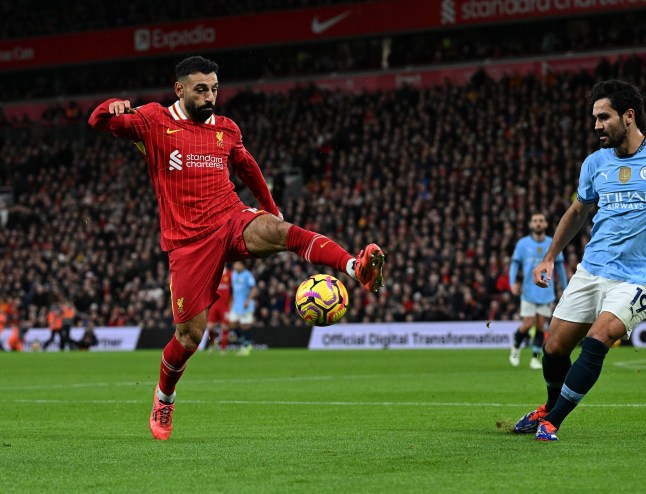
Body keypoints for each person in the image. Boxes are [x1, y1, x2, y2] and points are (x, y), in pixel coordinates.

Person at [88, 55, 385, 440]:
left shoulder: (226, 129)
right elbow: (98, 122)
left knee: (286, 232)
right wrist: (109, 106)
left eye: (214, 88)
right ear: (179, 89)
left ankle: (354, 267)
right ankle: (164, 399)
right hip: (188, 243)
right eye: (201, 89)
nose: (210, 95)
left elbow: (247, 168)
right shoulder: (153, 120)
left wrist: (272, 211)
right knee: (189, 338)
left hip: (230, 219)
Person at [514, 80, 646, 441]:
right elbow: (577, 211)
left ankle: (553, 419)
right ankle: (548, 406)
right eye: (595, 118)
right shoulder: (595, 163)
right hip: (592, 269)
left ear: (629, 116)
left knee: (598, 337)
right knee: (553, 348)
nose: (596, 125)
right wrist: (549, 256)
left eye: (603, 117)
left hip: (637, 278)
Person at [508, 212, 568, 370]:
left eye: (541, 220)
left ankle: (535, 358)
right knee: (528, 323)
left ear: (546, 224)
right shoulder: (522, 244)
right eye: (535, 221)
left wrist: (565, 287)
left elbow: (560, 266)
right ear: (530, 224)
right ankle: (516, 345)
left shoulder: (553, 243)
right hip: (528, 290)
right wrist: (512, 282)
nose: (538, 223)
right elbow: (514, 264)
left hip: (546, 291)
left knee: (541, 325)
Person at [228, 261, 257, 356]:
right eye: (234, 264)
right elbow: (233, 290)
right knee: (232, 324)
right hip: (236, 305)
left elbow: (254, 289)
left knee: (245, 325)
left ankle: (247, 346)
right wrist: (231, 302)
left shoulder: (248, 275)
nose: (235, 266)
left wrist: (249, 300)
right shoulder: (233, 275)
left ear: (242, 265)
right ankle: (245, 343)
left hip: (246, 305)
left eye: (237, 264)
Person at [204, 266, 231, 353]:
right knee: (210, 326)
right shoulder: (213, 272)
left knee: (225, 327)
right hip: (214, 304)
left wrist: (231, 303)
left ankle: (223, 348)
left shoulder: (230, 275)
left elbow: (233, 290)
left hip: (225, 306)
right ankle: (212, 345)